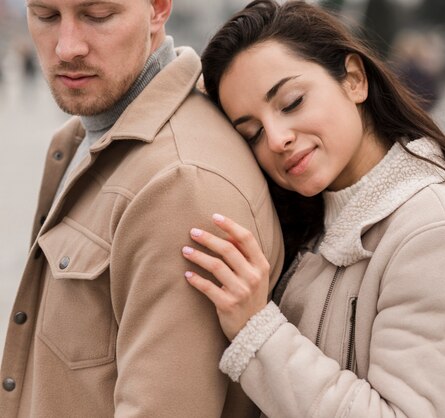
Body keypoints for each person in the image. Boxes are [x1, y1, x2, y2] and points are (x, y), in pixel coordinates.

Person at [183, 1, 445, 417]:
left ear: (354, 79)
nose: (275, 139)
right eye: (251, 133)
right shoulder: (315, 224)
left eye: (291, 103)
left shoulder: (439, 234)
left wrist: (257, 330)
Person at [0, 0, 283, 416]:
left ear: (158, 8)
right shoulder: (81, 136)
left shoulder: (180, 185)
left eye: (98, 16)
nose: (66, 47)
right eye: (46, 16)